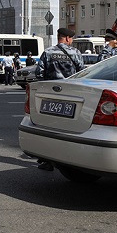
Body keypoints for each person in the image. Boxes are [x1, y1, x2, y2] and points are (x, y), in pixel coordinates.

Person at [35, 28, 85, 171]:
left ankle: (47, 160)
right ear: (68, 38)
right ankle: (70, 159)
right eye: (72, 39)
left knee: (48, 127)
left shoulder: (48, 52)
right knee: (68, 128)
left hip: (51, 95)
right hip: (71, 95)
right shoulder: (75, 53)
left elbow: (39, 73)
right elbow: (82, 73)